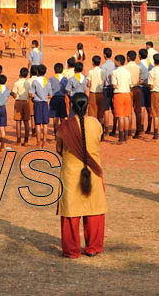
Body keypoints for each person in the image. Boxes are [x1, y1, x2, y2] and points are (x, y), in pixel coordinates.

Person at [56, 91, 106, 258]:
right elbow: (98, 141)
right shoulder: (96, 123)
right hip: (93, 172)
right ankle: (93, 247)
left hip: (71, 173)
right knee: (94, 210)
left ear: (72, 106)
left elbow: (59, 150)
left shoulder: (64, 127)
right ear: (87, 106)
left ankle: (72, 250)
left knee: (71, 213)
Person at [110, 55, 133, 144]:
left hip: (118, 94)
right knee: (126, 116)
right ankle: (125, 136)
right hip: (127, 94)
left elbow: (114, 85)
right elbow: (130, 84)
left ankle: (120, 137)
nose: (114, 62)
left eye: (115, 61)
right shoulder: (128, 72)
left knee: (120, 116)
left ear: (118, 62)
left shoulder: (115, 72)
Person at [13, 66, 33, 145]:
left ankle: (18, 140)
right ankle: (26, 140)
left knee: (18, 121)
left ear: (20, 74)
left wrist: (11, 93)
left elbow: (14, 95)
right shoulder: (28, 83)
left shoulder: (16, 83)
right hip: (26, 102)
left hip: (18, 102)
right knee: (26, 121)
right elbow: (30, 93)